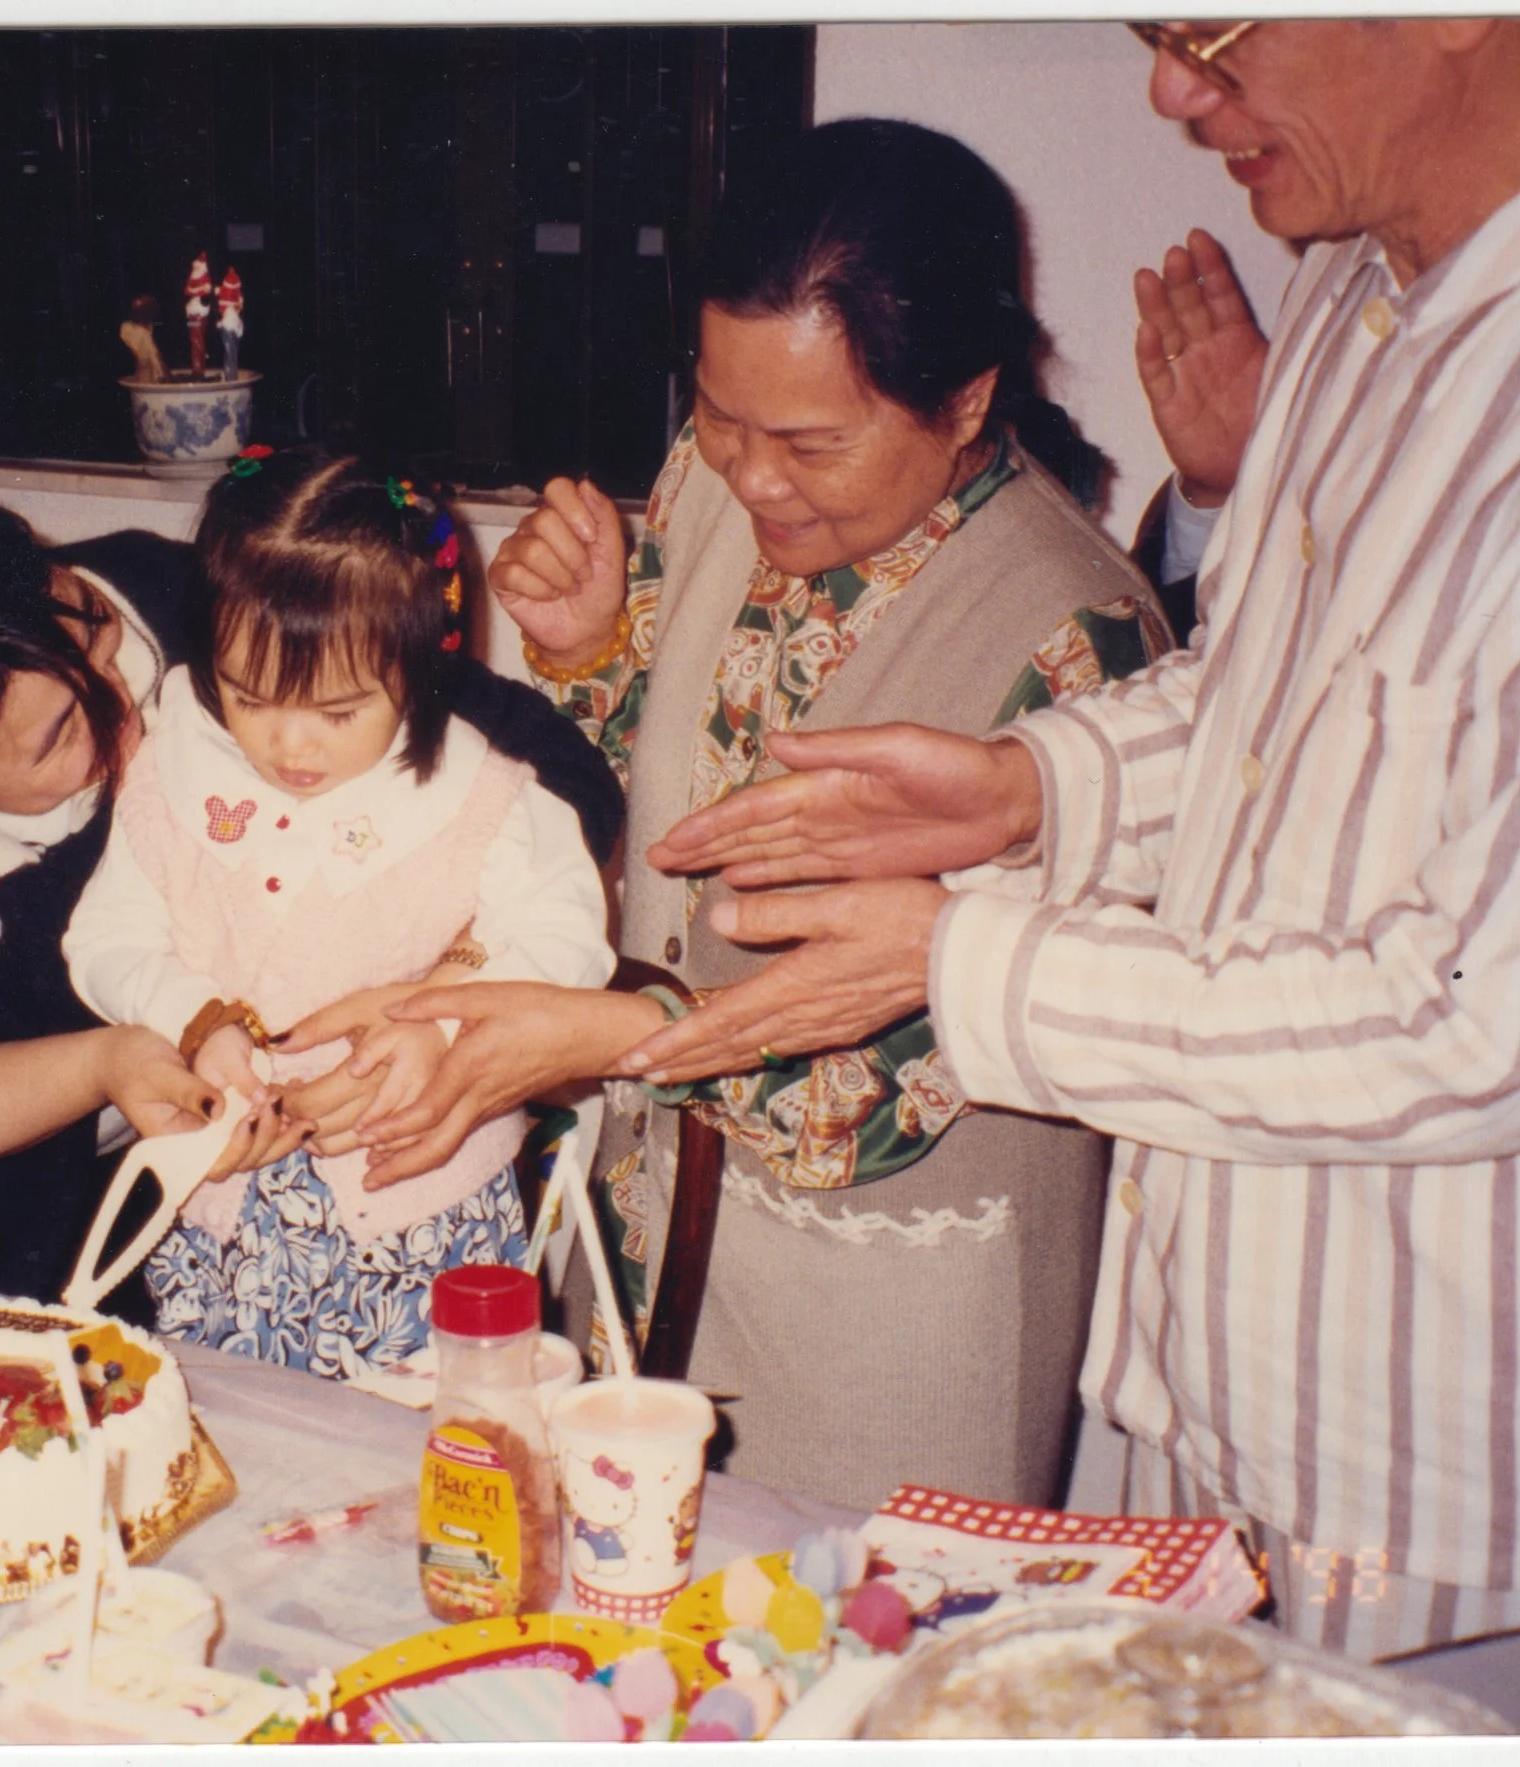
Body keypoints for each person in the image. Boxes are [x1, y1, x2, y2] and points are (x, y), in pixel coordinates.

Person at [579, 21, 1520, 1660]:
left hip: (1431, 1465)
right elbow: (1259, 701)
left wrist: (962, 951)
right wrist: (1030, 783)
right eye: (1155, 37)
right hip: (1196, 1364)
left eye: (1213, 32)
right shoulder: (1357, 298)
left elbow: (1484, 1019)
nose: (1173, 94)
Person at [297, 119, 1173, 1511]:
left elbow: (910, 1067)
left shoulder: (1080, 637)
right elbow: (674, 801)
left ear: (962, 403)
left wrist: (602, 1035)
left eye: (811, 441)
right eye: (716, 412)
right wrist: (591, 653)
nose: (750, 474)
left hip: (888, 1304)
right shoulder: (722, 483)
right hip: (653, 1234)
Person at [0, 468, 621, 1318]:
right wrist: (112, 1061)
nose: (126, 711)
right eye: (60, 735)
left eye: (88, 633)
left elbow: (549, 782)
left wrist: (438, 987)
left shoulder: (204, 608)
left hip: (178, 1234)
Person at [64, 453, 612, 1377]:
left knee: (422, 1464)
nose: (288, 743)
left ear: (418, 667)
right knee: (229, 1441)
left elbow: (568, 947)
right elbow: (108, 937)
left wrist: (442, 1020)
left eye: (339, 710)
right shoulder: (174, 768)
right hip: (218, 1218)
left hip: (424, 1217)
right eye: (247, 698)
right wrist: (193, 1018)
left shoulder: (479, 795)